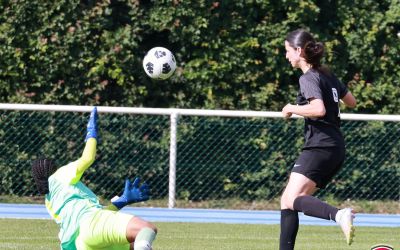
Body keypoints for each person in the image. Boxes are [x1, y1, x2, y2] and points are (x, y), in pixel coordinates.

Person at [32, 107, 157, 250]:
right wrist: (91, 134)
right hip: (93, 225)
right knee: (146, 229)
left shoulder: (49, 202)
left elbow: (90, 220)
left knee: (133, 246)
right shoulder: (59, 175)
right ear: (53, 168)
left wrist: (122, 201)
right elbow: (87, 158)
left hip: (81, 243)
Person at [279, 29, 357, 250]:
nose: (286, 56)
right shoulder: (326, 74)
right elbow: (351, 101)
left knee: (292, 198)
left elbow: (318, 108)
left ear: (299, 51)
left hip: (319, 146)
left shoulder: (308, 77)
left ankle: (339, 214)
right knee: (288, 201)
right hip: (335, 146)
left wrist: (291, 108)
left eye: (287, 51)